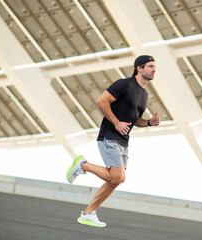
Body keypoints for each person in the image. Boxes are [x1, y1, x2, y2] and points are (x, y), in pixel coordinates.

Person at [66, 55, 160, 227]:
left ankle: (88, 213)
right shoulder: (124, 84)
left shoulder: (144, 94)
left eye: (155, 67)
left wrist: (148, 122)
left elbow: (136, 120)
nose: (154, 70)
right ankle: (82, 165)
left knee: (117, 179)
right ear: (139, 68)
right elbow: (102, 101)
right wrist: (116, 123)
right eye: (150, 66)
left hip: (124, 140)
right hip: (109, 134)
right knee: (116, 178)